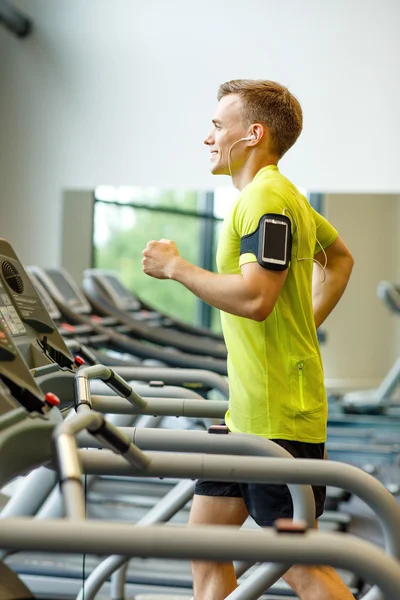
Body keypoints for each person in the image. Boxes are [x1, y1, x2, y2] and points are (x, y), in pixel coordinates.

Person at [142, 79, 354, 600]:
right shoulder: (278, 195)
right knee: (206, 543)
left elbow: (257, 299)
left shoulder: (265, 199)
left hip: (277, 418)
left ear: (252, 133)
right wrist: (301, 323)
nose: (209, 137)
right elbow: (341, 260)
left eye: (218, 125)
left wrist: (176, 269)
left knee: (298, 567)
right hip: (247, 415)